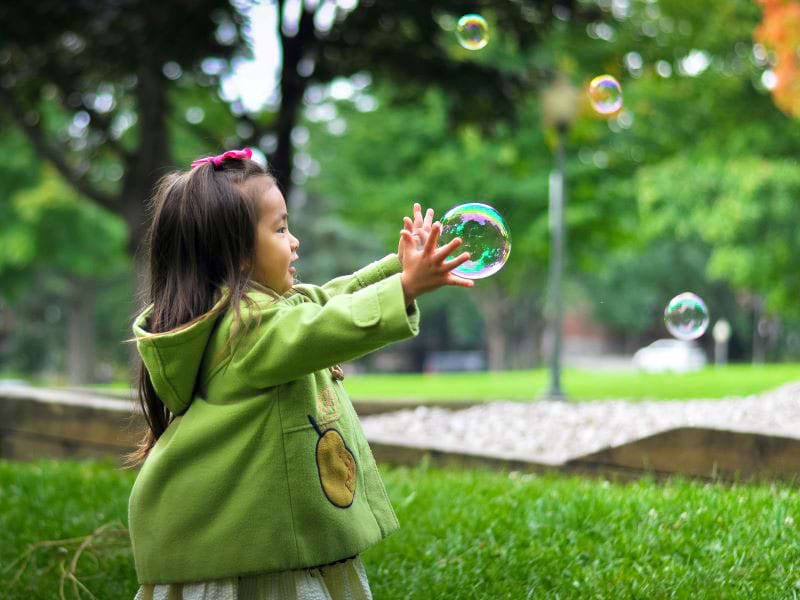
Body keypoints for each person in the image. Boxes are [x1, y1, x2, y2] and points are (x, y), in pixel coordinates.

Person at [122, 148, 473, 600]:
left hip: (263, 540)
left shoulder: (255, 314)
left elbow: (323, 301)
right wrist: (404, 287)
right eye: (281, 228)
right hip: (254, 556)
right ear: (240, 254)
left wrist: (395, 270)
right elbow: (326, 325)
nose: (295, 241)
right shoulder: (246, 330)